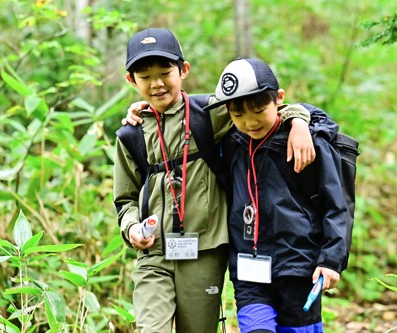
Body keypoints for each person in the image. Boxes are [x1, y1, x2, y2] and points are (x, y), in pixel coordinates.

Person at [113, 28, 316, 333]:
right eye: (145, 76)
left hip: (204, 250)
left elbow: (263, 109)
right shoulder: (131, 133)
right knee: (151, 328)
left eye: (165, 72)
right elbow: (125, 199)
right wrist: (131, 228)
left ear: (183, 70)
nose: (157, 83)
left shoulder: (207, 114)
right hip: (154, 251)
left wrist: (299, 119)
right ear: (132, 80)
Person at [205, 58, 350, 333]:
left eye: (259, 110)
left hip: (299, 268)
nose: (249, 122)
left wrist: (331, 260)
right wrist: (146, 109)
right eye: (238, 115)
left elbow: (336, 206)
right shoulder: (231, 143)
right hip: (249, 272)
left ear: (279, 99)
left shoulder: (308, 142)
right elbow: (179, 106)